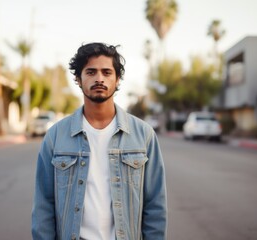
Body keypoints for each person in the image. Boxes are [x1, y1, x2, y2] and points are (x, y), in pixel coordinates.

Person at [32, 42, 167, 240]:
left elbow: (155, 206)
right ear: (78, 79)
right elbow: (44, 206)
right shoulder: (55, 137)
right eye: (91, 72)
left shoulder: (143, 135)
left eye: (106, 72)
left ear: (117, 79)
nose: (99, 79)